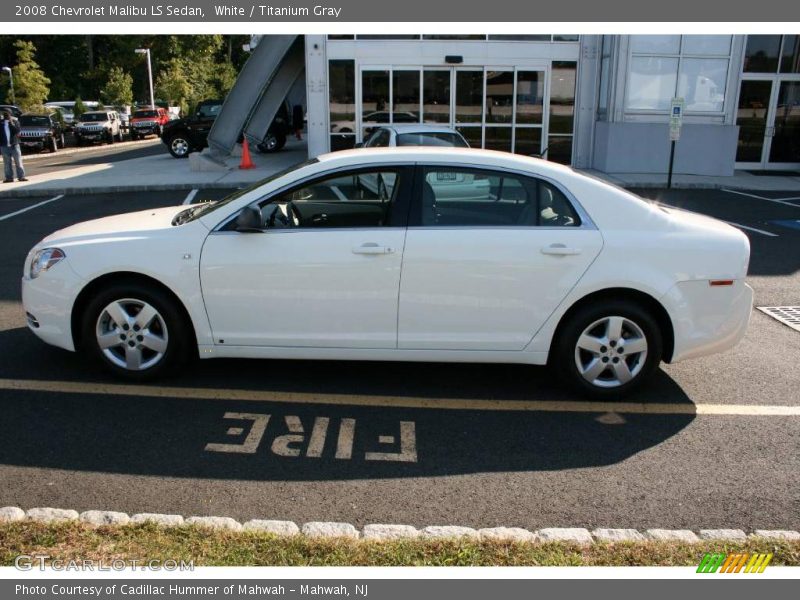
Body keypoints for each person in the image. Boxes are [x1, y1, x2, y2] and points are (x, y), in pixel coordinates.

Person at [0, 111, 27, 182]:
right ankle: (9, 178)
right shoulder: (1, 122)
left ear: (10, 114)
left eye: (7, 114)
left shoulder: (15, 122)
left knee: (18, 162)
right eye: (5, 114)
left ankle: (21, 177)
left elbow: (17, 131)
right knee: (7, 163)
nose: (6, 116)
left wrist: (11, 123)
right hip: (4, 146)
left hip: (14, 145)